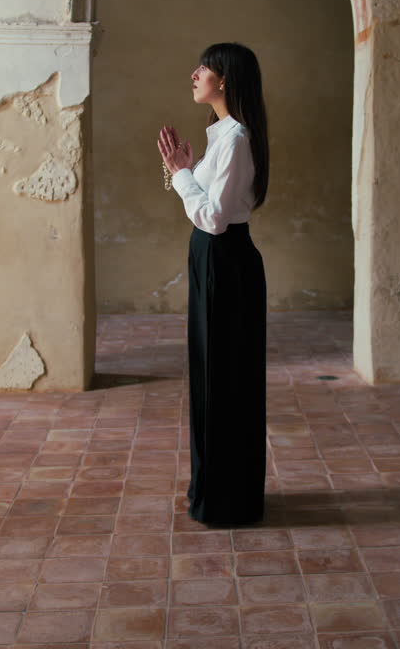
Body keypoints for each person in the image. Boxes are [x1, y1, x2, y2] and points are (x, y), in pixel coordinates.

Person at [157, 42, 269, 526]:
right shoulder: (219, 133)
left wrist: (181, 174)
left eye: (203, 67)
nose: (194, 73)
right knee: (210, 376)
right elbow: (207, 206)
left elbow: (215, 219)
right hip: (213, 260)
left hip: (225, 261)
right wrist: (183, 169)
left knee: (224, 380)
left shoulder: (237, 138)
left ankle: (228, 500)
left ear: (224, 78)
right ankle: (212, 492)